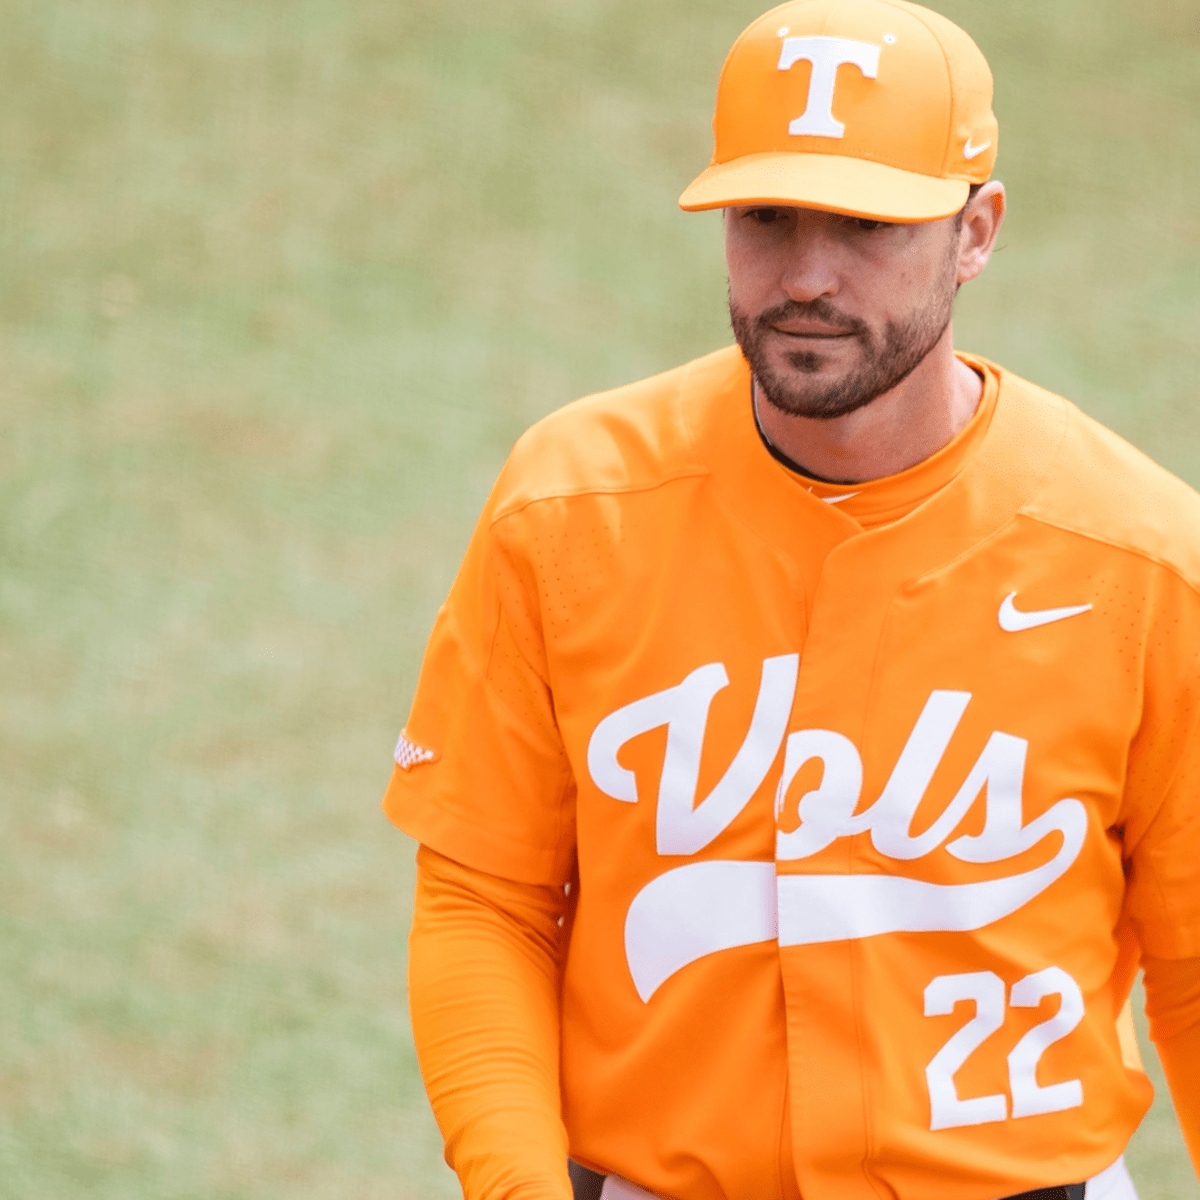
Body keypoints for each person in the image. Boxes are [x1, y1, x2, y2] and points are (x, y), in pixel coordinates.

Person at [384, 2, 1200, 1198]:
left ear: (977, 232)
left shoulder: (1139, 557)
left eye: (868, 224)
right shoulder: (569, 507)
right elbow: (485, 899)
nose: (807, 278)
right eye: (766, 219)